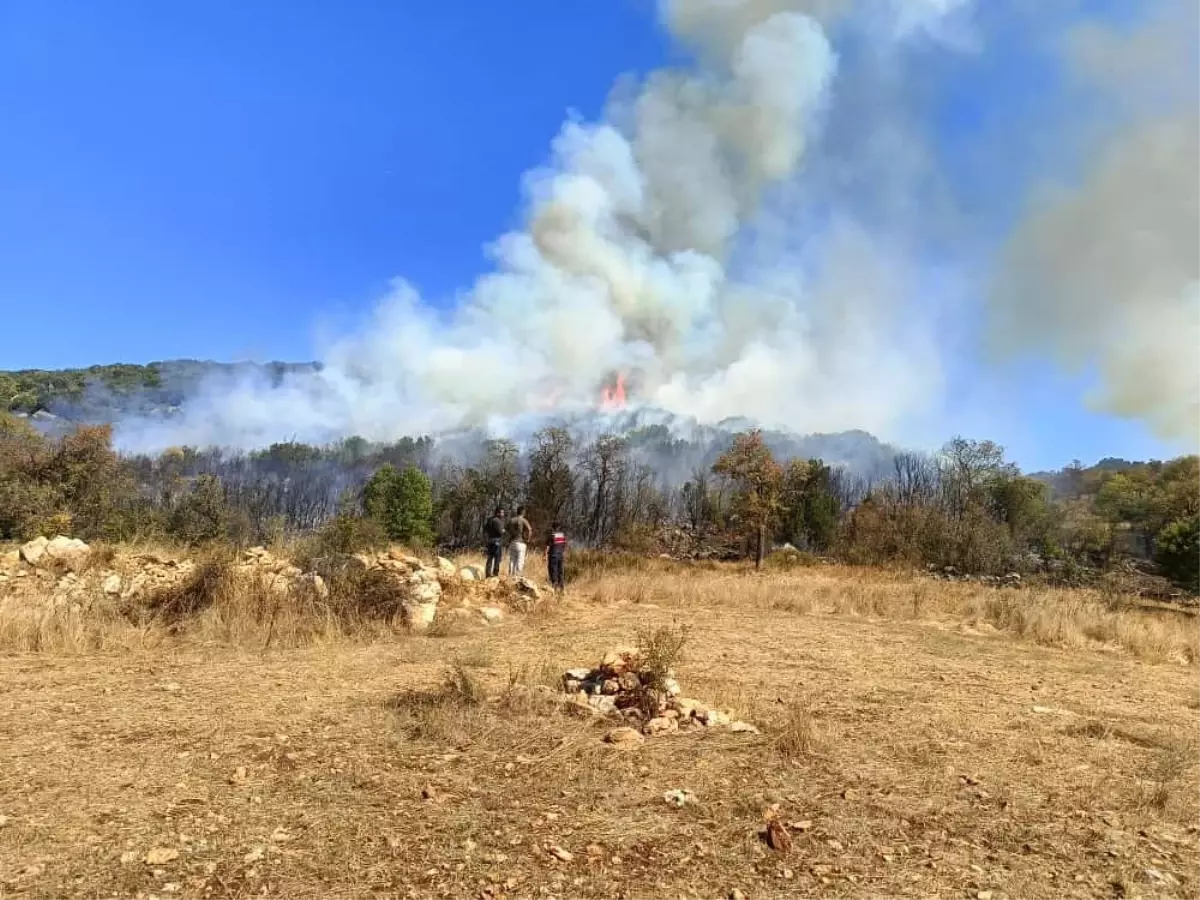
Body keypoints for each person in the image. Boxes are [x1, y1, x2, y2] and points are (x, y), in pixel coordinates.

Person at [506, 505, 532, 576]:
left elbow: (506, 529)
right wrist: (528, 539)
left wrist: (511, 535)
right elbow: (529, 529)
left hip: (512, 542)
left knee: (512, 560)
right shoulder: (523, 520)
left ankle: (511, 576)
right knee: (520, 560)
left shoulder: (512, 520)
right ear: (523, 512)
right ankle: (518, 576)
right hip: (521, 542)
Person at [545, 522, 567, 593]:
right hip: (560, 555)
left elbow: (547, 546)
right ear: (559, 527)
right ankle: (562, 588)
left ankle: (554, 588)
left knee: (553, 571)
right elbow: (564, 545)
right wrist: (562, 552)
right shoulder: (562, 536)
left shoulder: (552, 536)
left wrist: (544, 555)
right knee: (560, 571)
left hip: (553, 556)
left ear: (552, 528)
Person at [484, 507, 506, 578]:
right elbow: (500, 532)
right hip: (497, 541)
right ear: (497, 513)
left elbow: (485, 530)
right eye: (502, 513)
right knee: (497, 558)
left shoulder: (489, 520)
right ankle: (495, 574)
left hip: (490, 541)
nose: (503, 514)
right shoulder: (498, 521)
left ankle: (487, 574)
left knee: (490, 558)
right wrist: (503, 531)